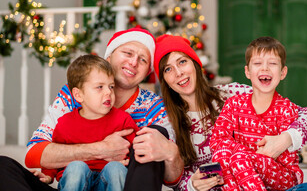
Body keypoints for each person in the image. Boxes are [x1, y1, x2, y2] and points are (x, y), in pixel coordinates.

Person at [0, 28, 183, 191]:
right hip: (75, 181)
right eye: (127, 53)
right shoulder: (74, 93)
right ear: (109, 57)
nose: (133, 62)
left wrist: (171, 152)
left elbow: (172, 179)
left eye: (143, 60)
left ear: (147, 72)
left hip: (122, 183)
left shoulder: (154, 106)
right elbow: (34, 153)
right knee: (3, 166)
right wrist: (100, 149)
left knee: (154, 135)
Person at [154, 34, 307, 191]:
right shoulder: (167, 120)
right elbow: (173, 180)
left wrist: (286, 138)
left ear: (195, 64)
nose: (178, 73)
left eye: (182, 62)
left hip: (264, 176)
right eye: (168, 69)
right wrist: (192, 185)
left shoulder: (231, 94)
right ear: (164, 81)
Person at [210, 36, 305, 190]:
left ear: (283, 72)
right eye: (257, 63)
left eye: (272, 63)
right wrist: (246, 155)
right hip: (243, 175)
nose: (265, 68)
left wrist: (245, 157)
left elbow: (285, 159)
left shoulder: (287, 110)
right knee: (221, 155)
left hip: (283, 177)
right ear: (247, 71)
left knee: (238, 158)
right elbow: (217, 141)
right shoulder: (234, 104)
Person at [41, 54, 139, 190]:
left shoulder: (123, 120)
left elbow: (137, 151)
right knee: (76, 167)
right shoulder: (65, 123)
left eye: (111, 87)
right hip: (76, 182)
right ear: (78, 95)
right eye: (100, 87)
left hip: (107, 183)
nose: (108, 92)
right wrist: (47, 176)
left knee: (116, 168)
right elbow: (55, 155)